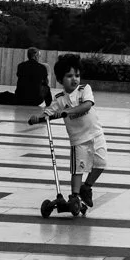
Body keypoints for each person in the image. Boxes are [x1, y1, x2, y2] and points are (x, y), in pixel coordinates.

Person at [30, 53, 108, 208]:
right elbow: (49, 112)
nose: (74, 79)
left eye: (77, 75)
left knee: (101, 163)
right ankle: (75, 195)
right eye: (69, 76)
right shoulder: (60, 99)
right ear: (60, 80)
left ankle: (87, 187)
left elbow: (87, 105)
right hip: (78, 139)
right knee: (78, 169)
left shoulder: (84, 89)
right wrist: (38, 117)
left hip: (95, 134)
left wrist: (68, 112)